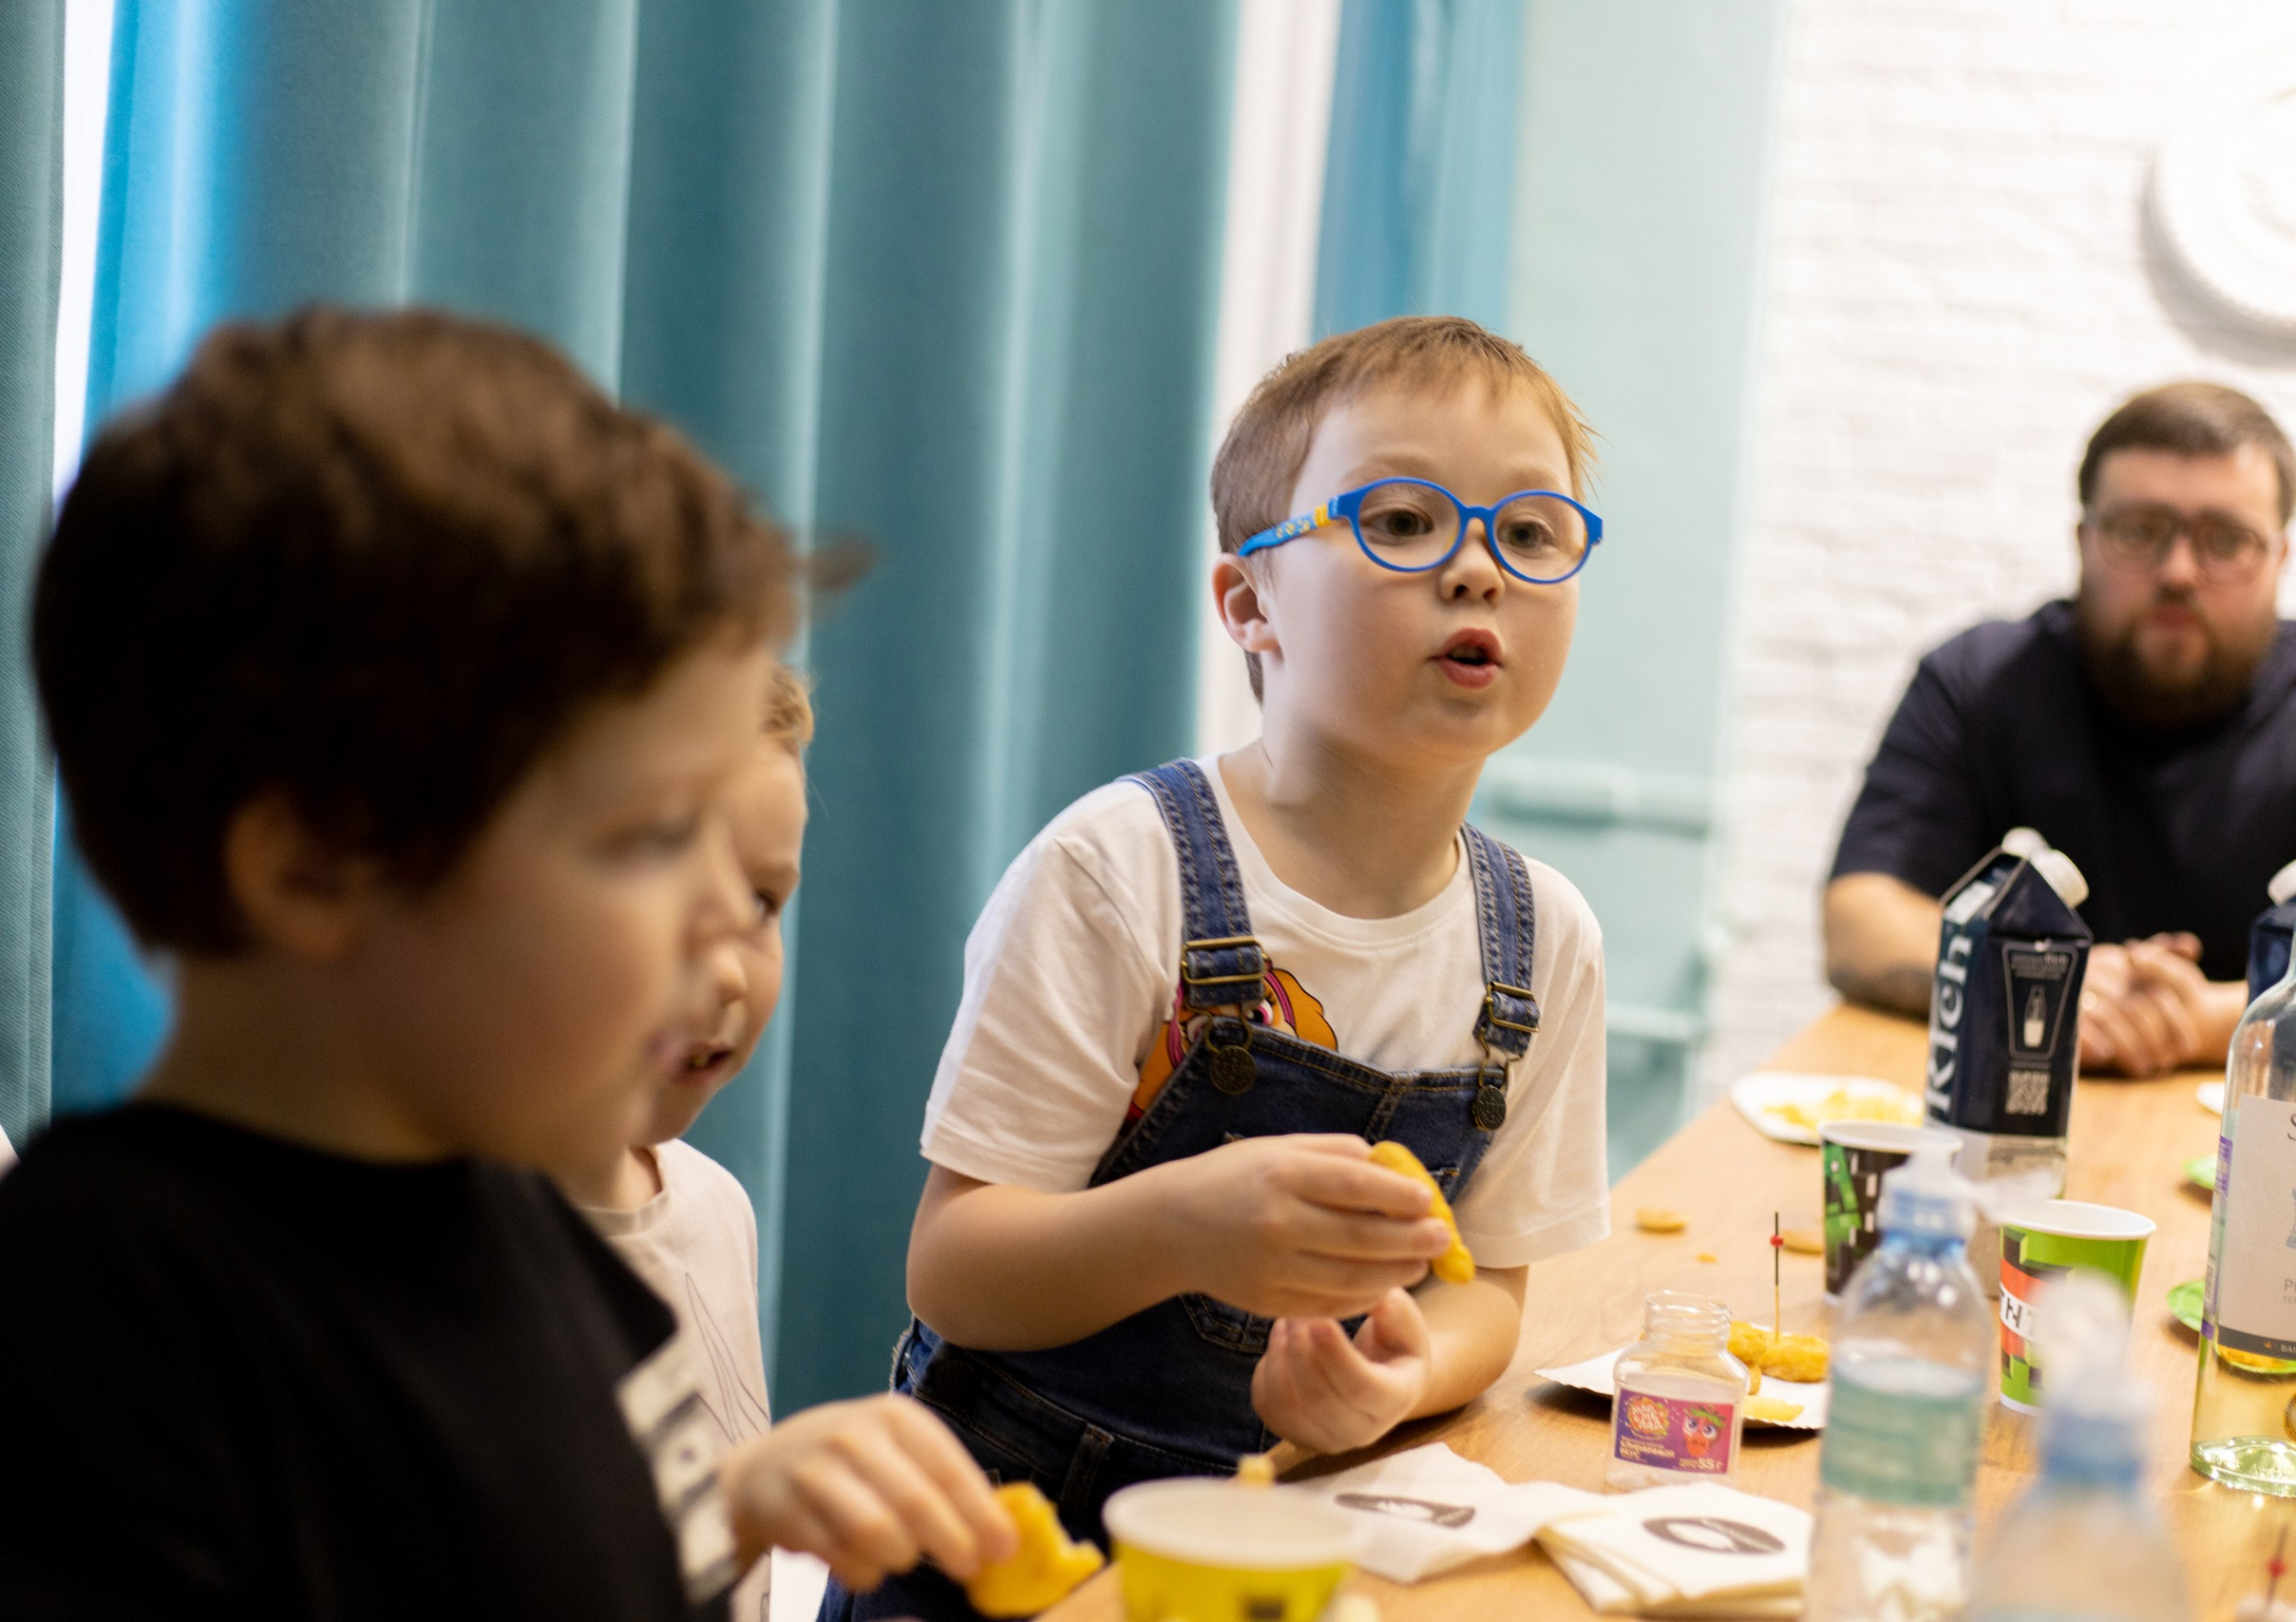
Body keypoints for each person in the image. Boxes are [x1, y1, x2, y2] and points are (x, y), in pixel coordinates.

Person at [0, 309, 1013, 1621]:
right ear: (315, 866)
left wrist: (736, 1508)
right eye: (651, 837)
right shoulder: (98, 1323)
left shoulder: (542, 1242)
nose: (727, 925)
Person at [826, 316, 1615, 1621]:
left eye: (1530, 533)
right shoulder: (1116, 869)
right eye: (1403, 521)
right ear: (1250, 604)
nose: (1477, 567)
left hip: (1275, 1542)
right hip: (999, 1550)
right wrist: (1189, 1224)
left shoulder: (1544, 943)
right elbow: (955, 1266)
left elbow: (1487, 1287)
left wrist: (1399, 1375)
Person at [1825, 381, 2296, 1075]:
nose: (2178, 572)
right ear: (2082, 540)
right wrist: (2047, 983)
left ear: (2280, 558)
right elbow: (1858, 917)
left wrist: (2207, 1021)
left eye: (2226, 540)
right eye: (2139, 530)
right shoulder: (1977, 680)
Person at [554, 665, 814, 1622]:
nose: (731, 976)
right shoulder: (445, 1271)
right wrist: (737, 1513)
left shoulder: (714, 1208)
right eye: (673, 901)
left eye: (761, 905)